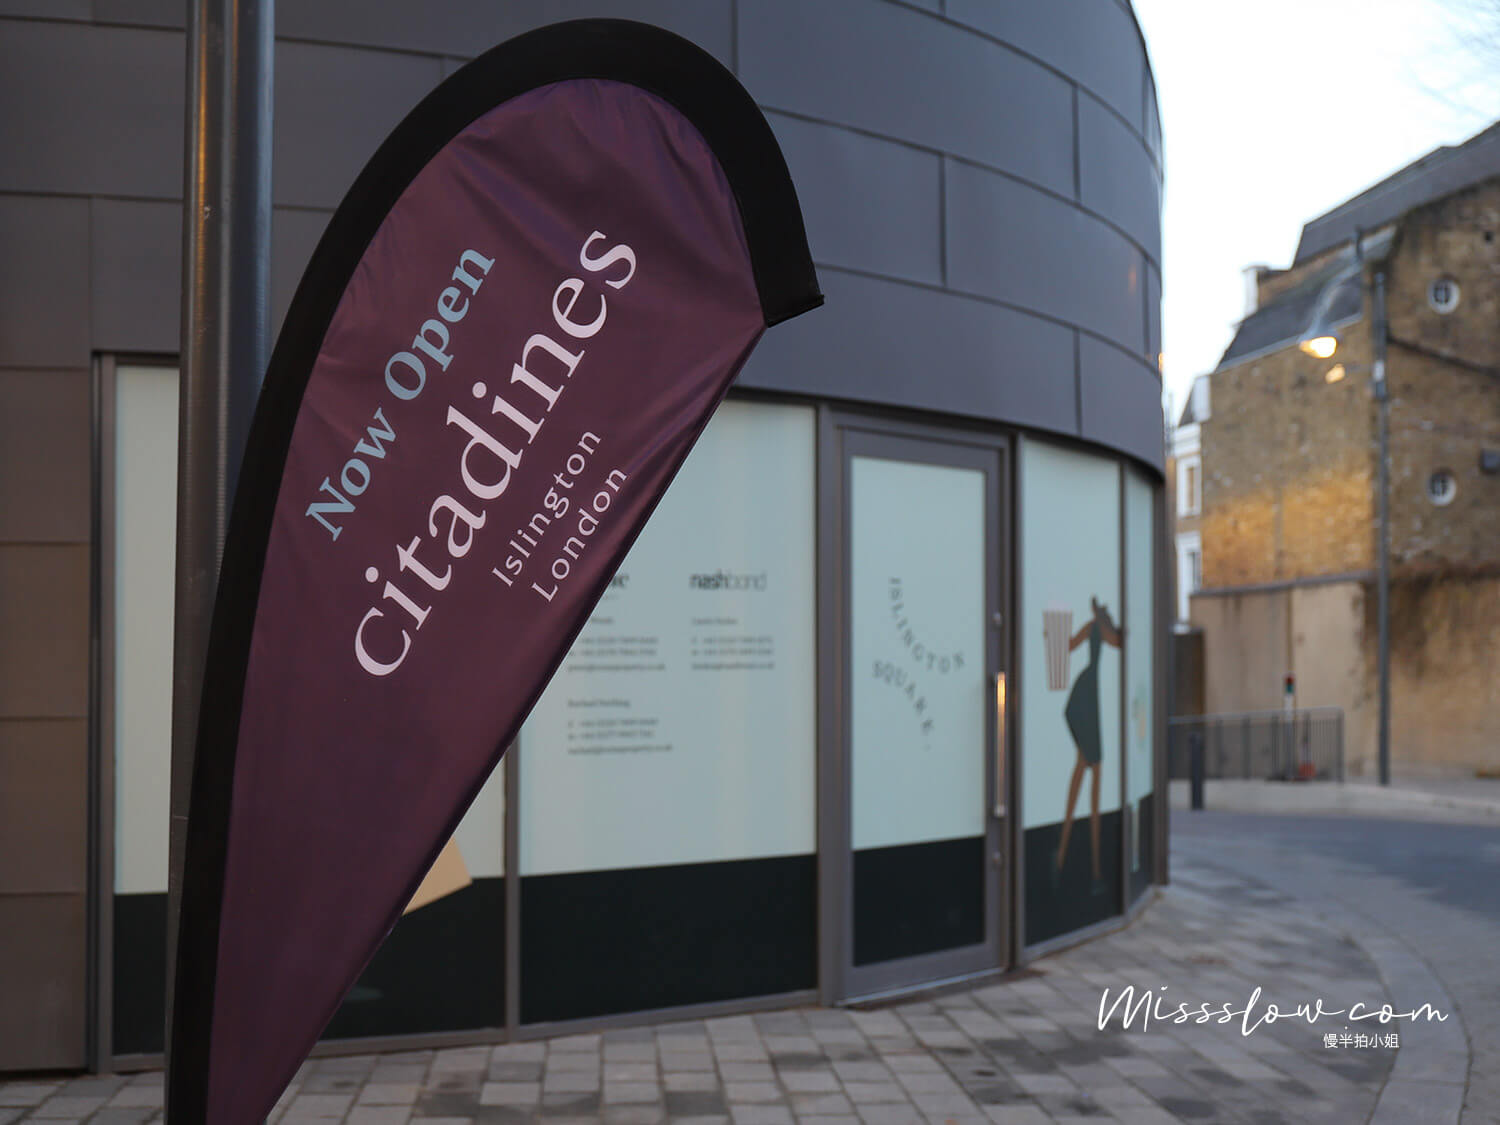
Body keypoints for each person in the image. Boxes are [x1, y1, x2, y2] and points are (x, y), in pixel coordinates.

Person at [1052, 596, 1122, 893]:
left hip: (1085, 696)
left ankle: (1065, 861)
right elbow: (1072, 645)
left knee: (1084, 771)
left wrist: (1052, 636)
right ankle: (1087, 870)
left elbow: (1067, 645)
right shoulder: (1099, 628)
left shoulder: (1095, 627)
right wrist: (1052, 635)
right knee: (1089, 776)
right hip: (1086, 699)